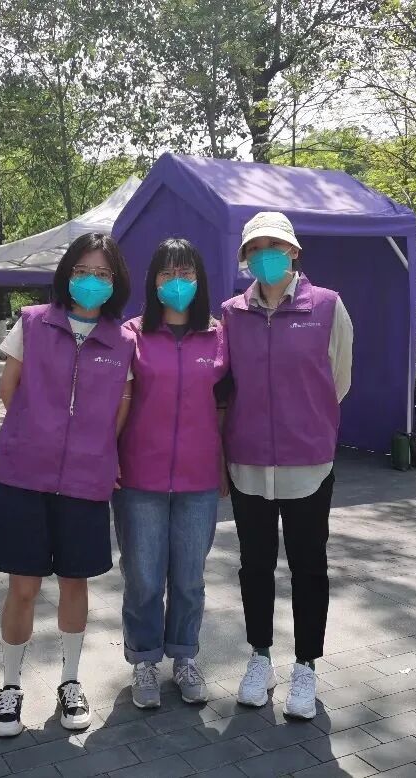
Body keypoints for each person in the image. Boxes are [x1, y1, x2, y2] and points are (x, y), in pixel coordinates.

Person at [0, 232, 134, 738]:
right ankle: (10, 687)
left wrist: (92, 449)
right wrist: (40, 436)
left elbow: (122, 407)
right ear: (67, 274)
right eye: (82, 271)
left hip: (86, 479)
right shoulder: (32, 322)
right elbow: (9, 389)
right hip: (24, 475)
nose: (91, 280)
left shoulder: (123, 341)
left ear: (115, 282)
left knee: (74, 582)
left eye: (102, 273)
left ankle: (70, 681)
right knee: (22, 586)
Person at [220, 212, 353, 719]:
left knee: (308, 566)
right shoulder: (232, 313)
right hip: (249, 460)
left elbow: (338, 378)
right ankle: (260, 658)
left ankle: (306, 665)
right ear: (245, 258)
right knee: (254, 565)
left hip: (308, 463)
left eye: (274, 246)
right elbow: (227, 382)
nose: (265, 256)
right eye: (255, 249)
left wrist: (307, 421)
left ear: (294, 252)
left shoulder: (328, 306)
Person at [114, 238, 229, 709]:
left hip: (198, 479)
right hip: (138, 476)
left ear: (199, 280)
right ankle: (144, 659)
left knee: (189, 578)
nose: (176, 282)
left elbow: (227, 404)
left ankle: (184, 656)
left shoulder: (218, 335)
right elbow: (114, 402)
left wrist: (225, 464)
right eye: (167, 273)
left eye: (186, 273)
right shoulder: (132, 335)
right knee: (143, 577)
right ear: (153, 281)